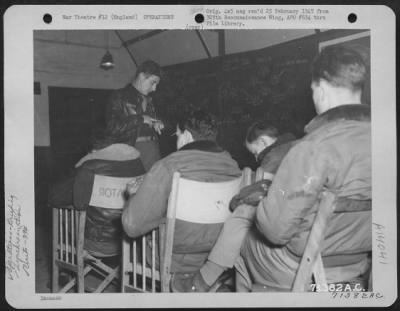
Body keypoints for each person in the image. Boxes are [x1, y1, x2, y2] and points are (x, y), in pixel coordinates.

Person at [233, 45, 372, 291]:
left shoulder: (313, 147)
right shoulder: (386, 140)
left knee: (242, 239)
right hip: (362, 262)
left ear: (321, 89)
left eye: (312, 91)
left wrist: (262, 207)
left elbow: (274, 231)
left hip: (305, 265)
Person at [170, 121, 297, 292]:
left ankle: (211, 278)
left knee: (245, 218)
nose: (256, 159)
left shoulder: (273, 157)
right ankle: (227, 283)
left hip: (287, 236)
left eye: (255, 153)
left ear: (264, 142)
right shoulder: (298, 146)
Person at [121, 109, 242, 274]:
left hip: (170, 260)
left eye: (177, 135)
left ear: (186, 136)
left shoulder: (168, 166)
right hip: (217, 258)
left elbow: (132, 226)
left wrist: (134, 194)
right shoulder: (234, 168)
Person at [48, 92, 145, 257]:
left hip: (95, 242)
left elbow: (65, 200)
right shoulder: (138, 163)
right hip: (128, 240)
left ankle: (66, 271)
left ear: (96, 148)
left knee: (63, 210)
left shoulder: (90, 166)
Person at [111, 60, 164, 171]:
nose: (154, 88)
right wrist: (141, 119)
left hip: (152, 148)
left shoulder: (149, 99)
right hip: (132, 149)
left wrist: (155, 123)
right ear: (141, 76)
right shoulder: (119, 96)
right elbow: (113, 127)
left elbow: (148, 120)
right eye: (152, 82)